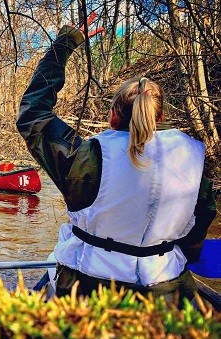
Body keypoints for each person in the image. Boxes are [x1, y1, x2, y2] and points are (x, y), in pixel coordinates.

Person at [15, 13, 216, 306]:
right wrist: (185, 252)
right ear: (161, 118)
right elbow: (201, 222)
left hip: (88, 287)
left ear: (112, 116)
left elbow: (33, 114)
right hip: (165, 287)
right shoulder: (193, 162)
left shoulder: (84, 158)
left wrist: (65, 43)